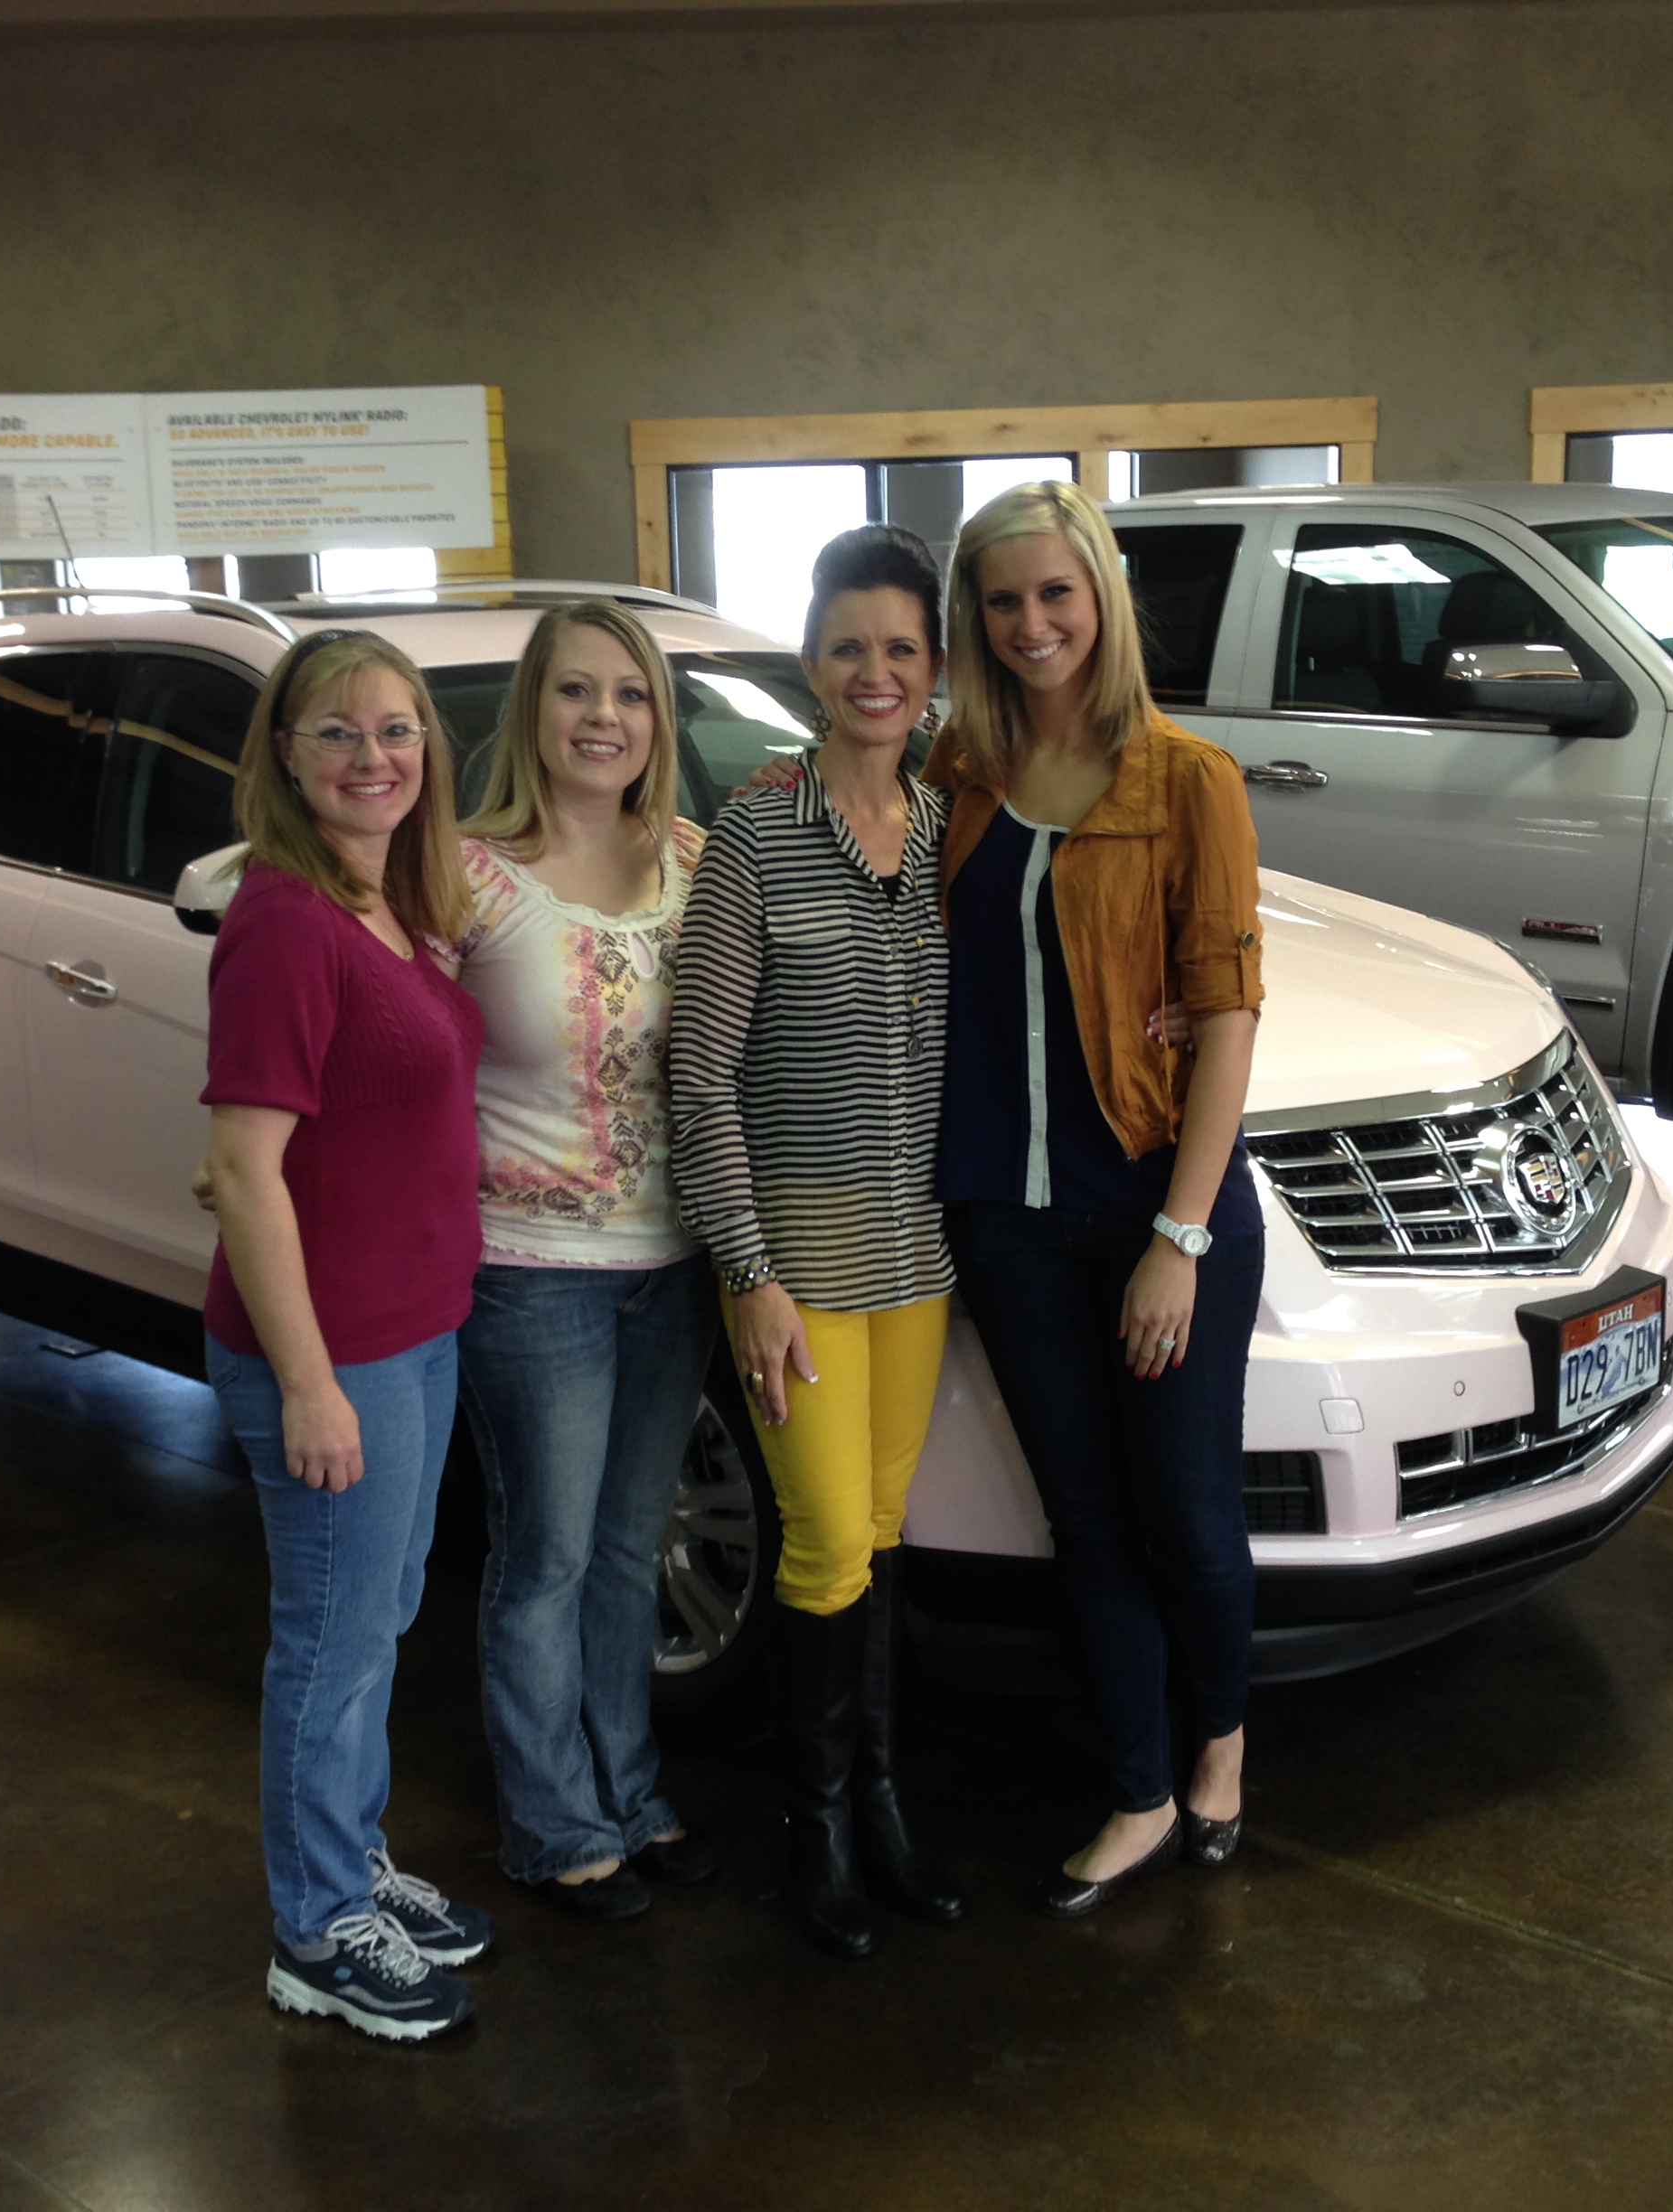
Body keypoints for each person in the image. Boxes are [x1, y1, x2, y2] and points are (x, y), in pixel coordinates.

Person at [926, 478, 1268, 1917]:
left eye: (1055, 594)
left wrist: (1178, 1240)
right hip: (1004, 1218)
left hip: (1154, 1211)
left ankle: (1222, 1750)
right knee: (1086, 1517)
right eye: (1003, 600)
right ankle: (1137, 1790)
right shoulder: (957, 770)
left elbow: (1227, 1017)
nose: (1031, 624)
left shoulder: (1188, 780)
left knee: (1185, 1512)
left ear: (1103, 599)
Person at [672, 526, 969, 1958]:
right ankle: (819, 1826)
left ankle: (885, 1804)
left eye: (901, 648)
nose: (875, 672)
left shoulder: (949, 832)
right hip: (796, 1266)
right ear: (810, 662)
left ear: (933, 669)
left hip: (918, 1262)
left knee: (885, 1538)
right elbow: (700, 1073)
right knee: (828, 1539)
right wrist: (748, 1272)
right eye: (849, 646)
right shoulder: (756, 833)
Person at [201, 627, 495, 2044]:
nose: (372, 757)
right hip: (335, 1357)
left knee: (373, 1624)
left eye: (395, 729)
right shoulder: (286, 920)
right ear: (283, 753)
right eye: (336, 731)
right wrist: (310, 1386)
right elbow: (243, 1168)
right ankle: (315, 1932)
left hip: (413, 1332)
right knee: (329, 1641)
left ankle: (351, 1862)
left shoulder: (386, 898)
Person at [451, 601, 722, 1923]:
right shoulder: (464, 875)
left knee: (629, 1549)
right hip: (531, 1268)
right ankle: (554, 1824)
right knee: (545, 1556)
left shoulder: (696, 863)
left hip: (673, 1261)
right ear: (532, 710)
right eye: (575, 691)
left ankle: (634, 1791)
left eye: (630, 693)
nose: (603, 717)